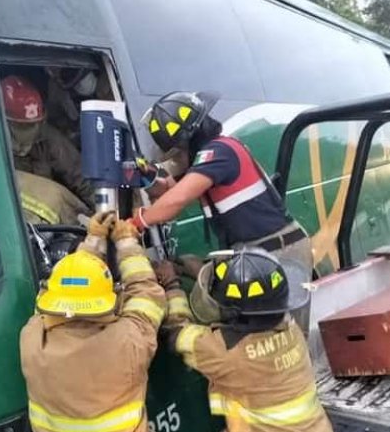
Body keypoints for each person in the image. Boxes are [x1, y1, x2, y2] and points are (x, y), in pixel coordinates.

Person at [155, 248, 338, 432]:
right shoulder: (286, 326)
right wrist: (200, 269)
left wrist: (173, 285)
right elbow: (250, 303)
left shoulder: (227, 354)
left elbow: (177, 333)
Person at [19, 211, 171, 432]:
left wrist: (91, 242)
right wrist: (127, 241)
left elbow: (62, 295)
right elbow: (147, 293)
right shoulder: (128, 343)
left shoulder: (32, 342)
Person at [132, 91, 313, 332]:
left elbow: (178, 199)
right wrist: (147, 177)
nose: (177, 155)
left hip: (279, 253)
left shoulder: (219, 152)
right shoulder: (210, 159)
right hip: (257, 255)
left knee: (284, 339)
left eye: (178, 149)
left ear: (190, 140)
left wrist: (136, 222)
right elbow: (170, 192)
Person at [0, 76, 94, 209]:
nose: (30, 131)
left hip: (45, 224)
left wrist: (105, 214)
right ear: (3, 121)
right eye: (22, 127)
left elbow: (80, 176)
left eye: (34, 125)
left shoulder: (47, 138)